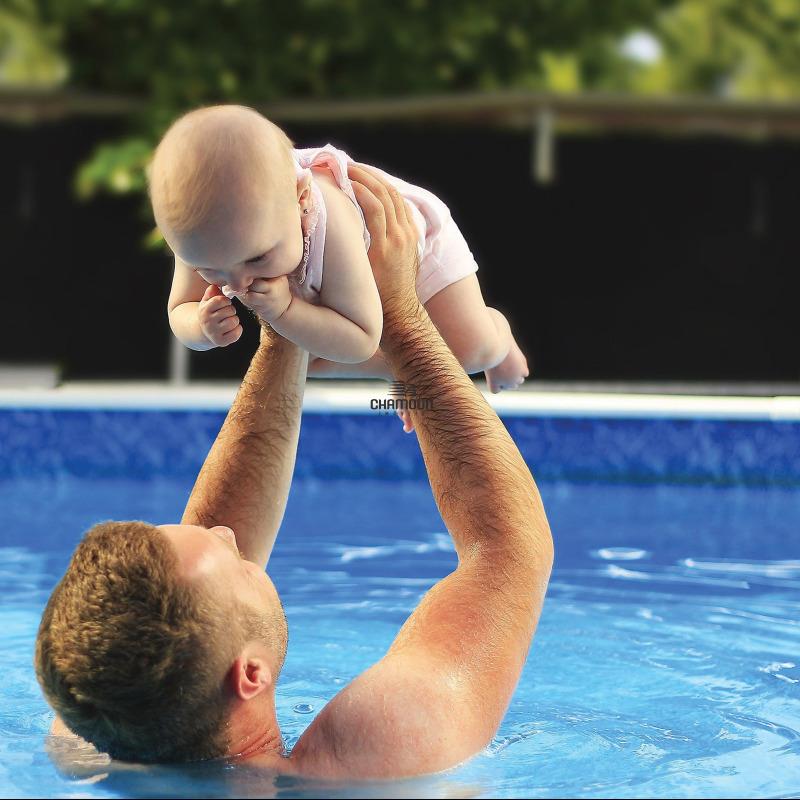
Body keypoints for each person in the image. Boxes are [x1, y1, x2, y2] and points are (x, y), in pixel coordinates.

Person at [35, 164, 554, 780]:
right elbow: (508, 554)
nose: (227, 534)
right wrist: (403, 316)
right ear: (248, 675)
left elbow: (184, 613)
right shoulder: (373, 757)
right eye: (227, 559)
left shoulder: (94, 727)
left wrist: (287, 324)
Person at [153, 104, 529, 396]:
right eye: (208, 269)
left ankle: (500, 336)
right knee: (307, 359)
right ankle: (410, 378)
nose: (237, 282)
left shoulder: (330, 221)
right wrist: (200, 328)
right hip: (345, 293)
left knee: (469, 350)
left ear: (300, 198)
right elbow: (179, 312)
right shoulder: (204, 232)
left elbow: (362, 339)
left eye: (257, 258)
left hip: (413, 243)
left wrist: (285, 310)